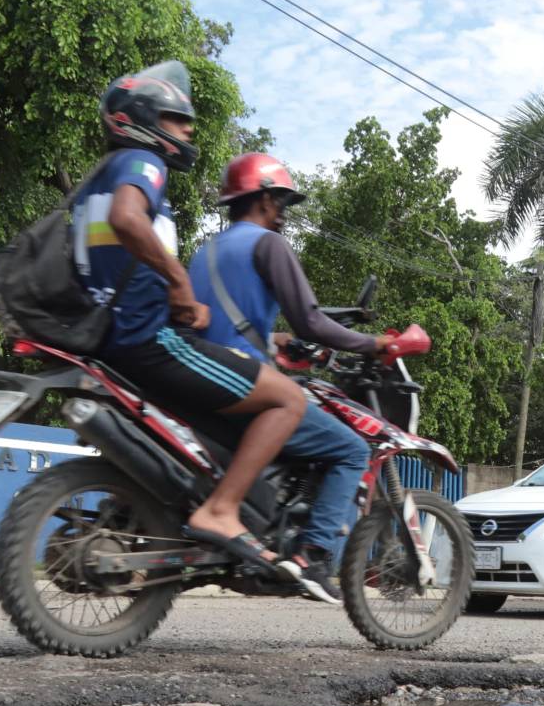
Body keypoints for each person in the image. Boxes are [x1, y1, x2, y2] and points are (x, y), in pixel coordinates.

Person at [71, 63, 334, 604]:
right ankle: (222, 511)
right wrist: (178, 288)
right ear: (144, 118)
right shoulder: (143, 164)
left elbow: (110, 255)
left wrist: (176, 293)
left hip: (107, 340)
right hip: (147, 341)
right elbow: (128, 220)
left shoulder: (88, 185)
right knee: (285, 398)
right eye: (177, 119)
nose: (187, 131)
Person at [187, 152, 411, 602]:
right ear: (265, 200)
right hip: (245, 384)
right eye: (281, 202)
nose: (284, 214)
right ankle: (312, 557)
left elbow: (219, 325)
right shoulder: (269, 246)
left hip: (200, 375)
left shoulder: (204, 253)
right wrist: (376, 343)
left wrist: (275, 341)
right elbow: (312, 321)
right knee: (349, 448)